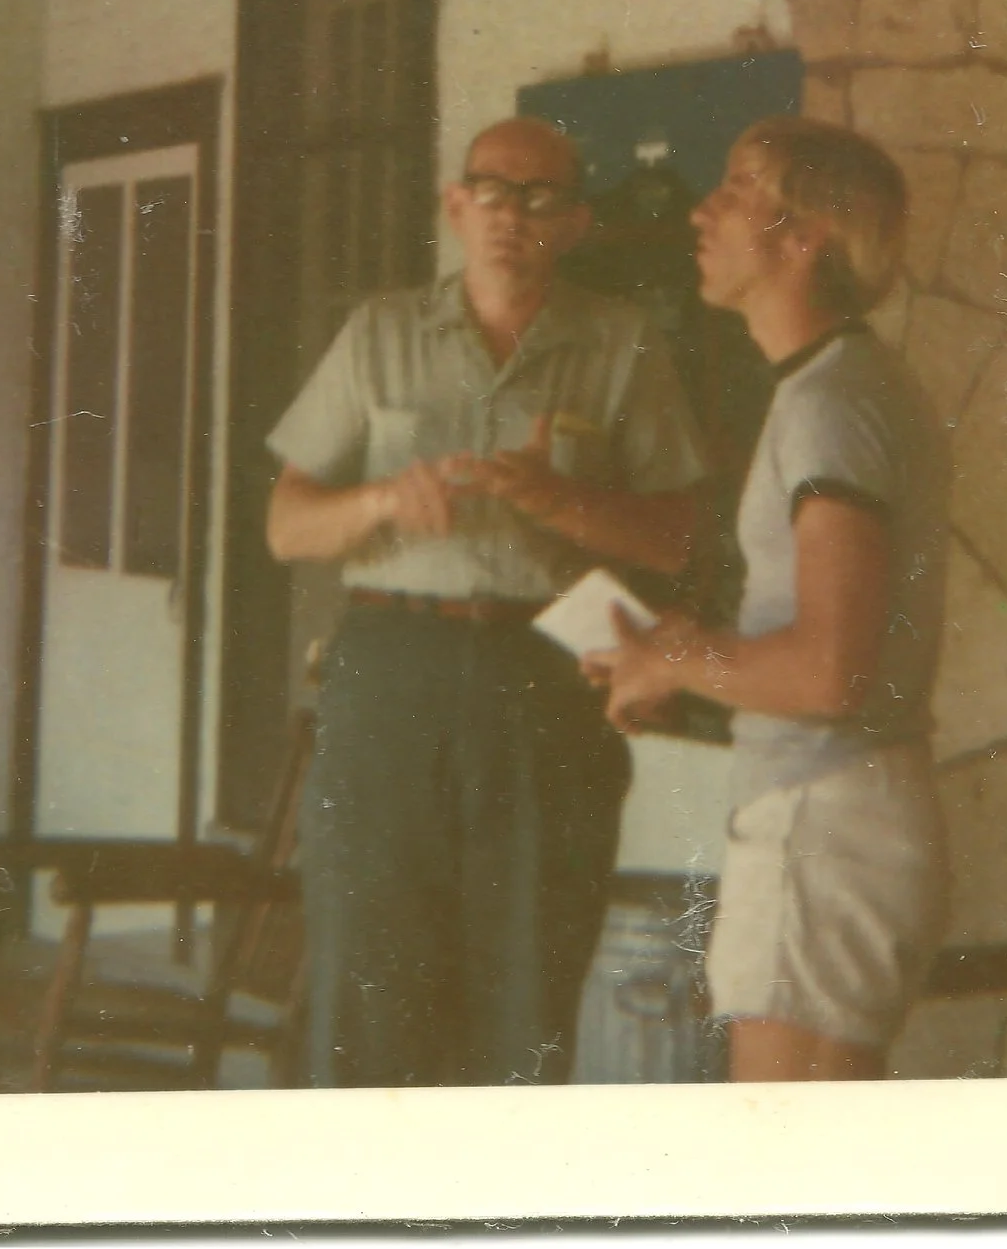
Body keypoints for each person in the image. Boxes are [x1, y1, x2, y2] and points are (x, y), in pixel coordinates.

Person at [265, 114, 709, 1088]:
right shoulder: (380, 332)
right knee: (368, 974)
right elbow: (286, 524)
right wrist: (381, 499)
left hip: (544, 677)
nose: (513, 215)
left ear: (576, 222)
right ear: (455, 206)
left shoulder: (621, 342)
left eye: (541, 197)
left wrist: (560, 500)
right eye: (493, 192)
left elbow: (674, 539)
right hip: (391, 669)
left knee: (524, 982)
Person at [588, 115, 947, 1081]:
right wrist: (678, 659)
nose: (701, 212)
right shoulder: (835, 387)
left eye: (738, 190)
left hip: (823, 829)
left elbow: (830, 672)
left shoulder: (832, 404)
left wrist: (673, 656)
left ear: (804, 238)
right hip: (829, 815)